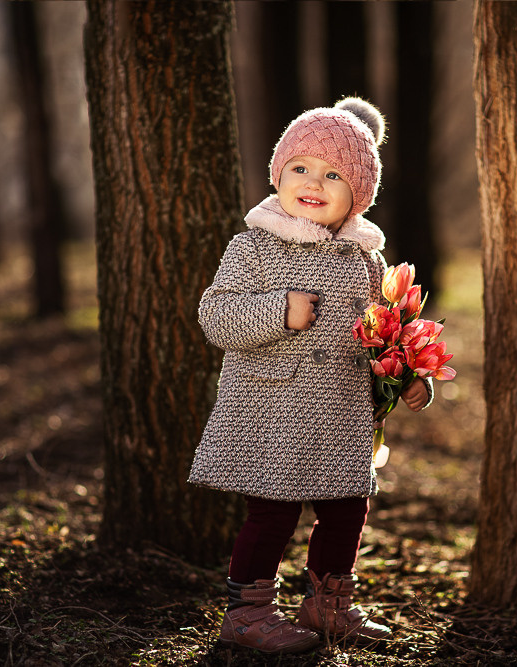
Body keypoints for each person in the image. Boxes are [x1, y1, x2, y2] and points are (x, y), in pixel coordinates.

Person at [188, 98, 432, 654]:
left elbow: (384, 331)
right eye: (300, 167)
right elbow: (216, 315)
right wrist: (279, 309)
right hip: (272, 410)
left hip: (341, 412)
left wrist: (408, 375)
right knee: (271, 513)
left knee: (347, 508)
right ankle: (248, 612)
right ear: (278, 175)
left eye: (333, 174)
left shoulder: (365, 259)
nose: (313, 182)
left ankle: (327, 604)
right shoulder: (254, 245)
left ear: (360, 193)